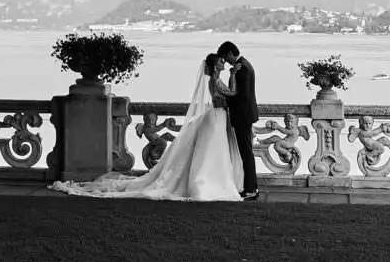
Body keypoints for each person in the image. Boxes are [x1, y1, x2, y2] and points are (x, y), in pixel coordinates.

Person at [49, 53, 245, 201]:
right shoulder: (216, 81)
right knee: (212, 151)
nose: (224, 63)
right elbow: (233, 93)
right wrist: (234, 74)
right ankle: (209, 182)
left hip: (218, 116)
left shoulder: (214, 80)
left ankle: (213, 180)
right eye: (221, 61)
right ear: (215, 65)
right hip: (216, 117)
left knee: (213, 152)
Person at [218, 40, 260, 200]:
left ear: (230, 53)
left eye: (225, 57)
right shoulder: (244, 64)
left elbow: (241, 96)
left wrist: (226, 101)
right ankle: (252, 187)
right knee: (246, 152)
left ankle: (250, 190)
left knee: (246, 153)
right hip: (245, 114)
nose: (225, 61)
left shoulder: (242, 69)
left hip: (242, 115)